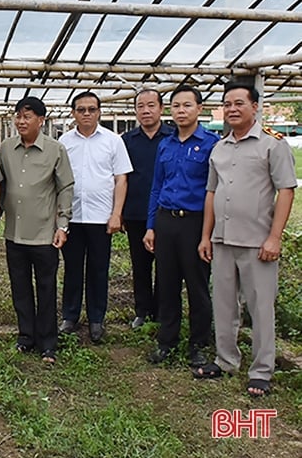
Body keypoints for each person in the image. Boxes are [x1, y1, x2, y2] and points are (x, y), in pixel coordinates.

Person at [195, 82, 296, 397]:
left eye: (239, 103)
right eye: (227, 104)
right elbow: (211, 193)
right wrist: (206, 236)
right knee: (223, 304)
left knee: (260, 307)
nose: (232, 109)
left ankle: (262, 371)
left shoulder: (272, 145)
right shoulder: (220, 147)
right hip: (223, 239)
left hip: (257, 241)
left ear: (255, 107)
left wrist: (274, 237)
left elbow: (286, 191)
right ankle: (225, 361)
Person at [0, 97, 74, 364]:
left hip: (44, 233)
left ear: (41, 120)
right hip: (15, 232)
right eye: (18, 116)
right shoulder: (5, 148)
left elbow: (66, 188)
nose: (21, 121)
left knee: (46, 288)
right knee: (20, 287)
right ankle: (26, 336)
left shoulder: (55, 149)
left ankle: (48, 342)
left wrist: (63, 225)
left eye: (28, 116)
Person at [143, 85, 219, 367]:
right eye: (176, 106)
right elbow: (156, 187)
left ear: (199, 109)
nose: (181, 111)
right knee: (167, 283)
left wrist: (206, 235)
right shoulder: (167, 144)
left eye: (187, 105)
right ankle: (167, 340)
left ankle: (198, 344)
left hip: (195, 222)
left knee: (197, 286)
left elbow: (215, 191)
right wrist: (151, 226)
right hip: (166, 221)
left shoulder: (212, 144)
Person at [59, 91, 132, 343]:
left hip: (102, 218)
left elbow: (121, 178)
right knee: (72, 268)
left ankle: (96, 319)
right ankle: (69, 316)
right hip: (72, 216)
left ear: (99, 112)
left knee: (99, 270)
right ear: (73, 113)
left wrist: (116, 214)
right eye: (81, 109)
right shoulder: (64, 142)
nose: (87, 114)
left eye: (92, 109)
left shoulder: (113, 141)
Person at [121, 89, 174, 329]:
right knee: (140, 265)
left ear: (161, 109)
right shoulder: (126, 141)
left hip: (166, 213)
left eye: (151, 105)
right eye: (140, 106)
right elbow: (121, 178)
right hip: (135, 212)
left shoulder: (173, 138)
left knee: (165, 265)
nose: (146, 111)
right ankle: (142, 311)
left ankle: (162, 313)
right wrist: (119, 211)